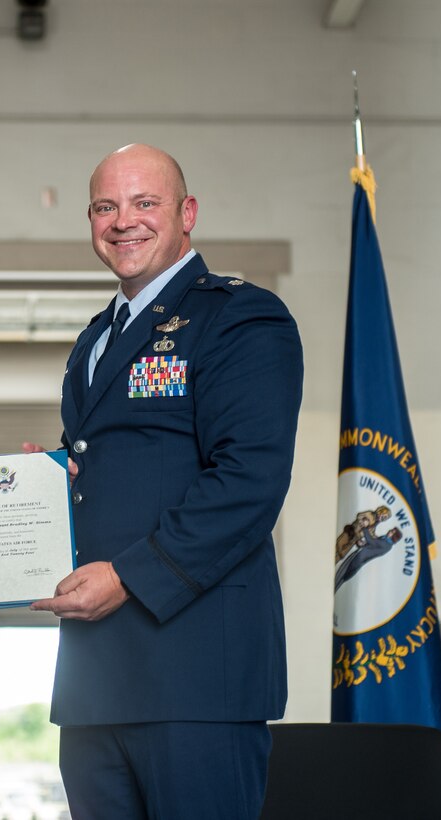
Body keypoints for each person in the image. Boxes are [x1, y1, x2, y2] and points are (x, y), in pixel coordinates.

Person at [27, 144, 304, 818]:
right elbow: (107, 473)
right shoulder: (94, 340)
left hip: (196, 680)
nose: (123, 221)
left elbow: (248, 481)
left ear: (187, 214)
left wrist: (126, 577)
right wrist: (35, 486)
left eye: (144, 203)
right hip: (95, 684)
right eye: (105, 206)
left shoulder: (239, 318)